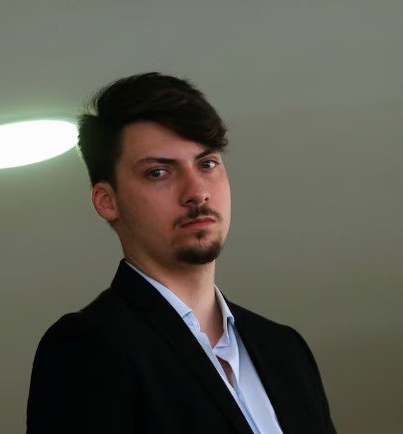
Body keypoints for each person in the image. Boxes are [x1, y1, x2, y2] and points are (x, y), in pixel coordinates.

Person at [26, 72, 336, 434]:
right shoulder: (87, 346)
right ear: (107, 201)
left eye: (207, 164)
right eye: (159, 172)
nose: (196, 191)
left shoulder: (285, 350)